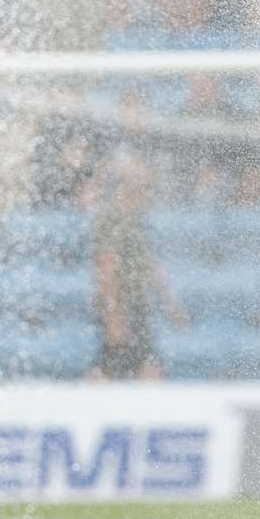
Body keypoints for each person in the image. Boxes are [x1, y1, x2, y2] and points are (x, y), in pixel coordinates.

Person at [91, 159, 185, 380]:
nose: (148, 193)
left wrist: (170, 303)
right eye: (143, 187)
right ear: (128, 187)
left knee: (131, 365)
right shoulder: (111, 218)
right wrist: (112, 314)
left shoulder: (136, 218)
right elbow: (105, 267)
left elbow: (149, 262)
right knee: (118, 367)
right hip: (121, 305)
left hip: (137, 304)